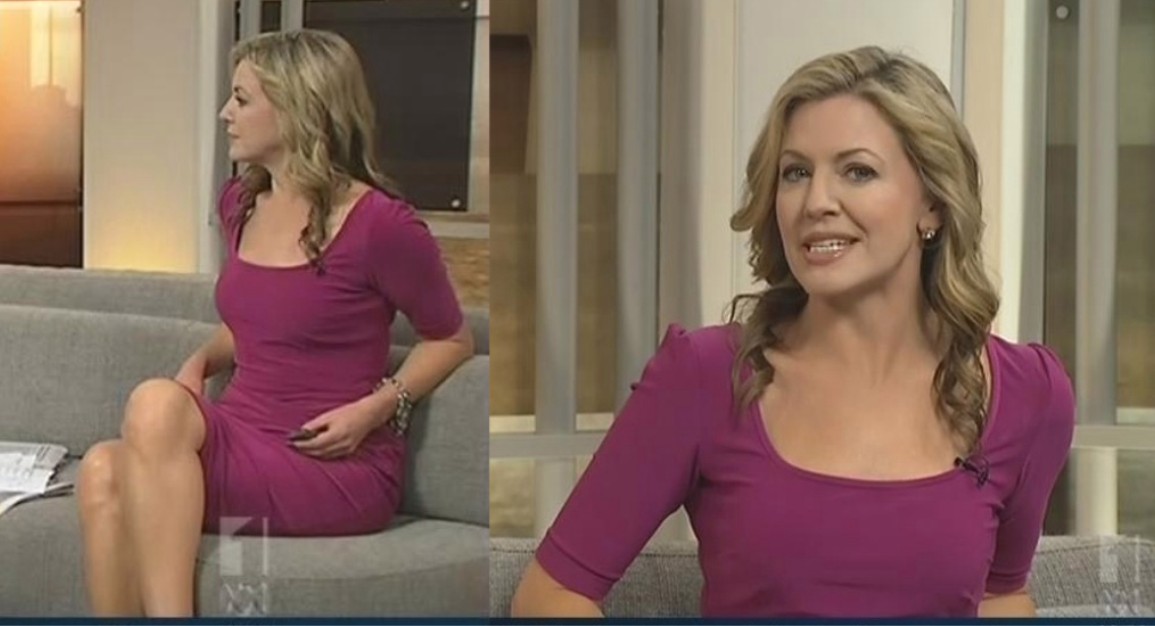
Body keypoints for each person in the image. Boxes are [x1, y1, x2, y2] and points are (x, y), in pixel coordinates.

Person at [510, 46, 1074, 618]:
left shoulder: (1029, 395)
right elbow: (549, 596)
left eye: (857, 171)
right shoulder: (704, 377)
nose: (815, 202)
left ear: (932, 203)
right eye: (796, 173)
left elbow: (1001, 595)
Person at [75, 29, 474, 617]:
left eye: (241, 99)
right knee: (101, 470)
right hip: (245, 434)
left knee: (153, 406)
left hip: (329, 459)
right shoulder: (240, 204)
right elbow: (259, 323)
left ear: (297, 109)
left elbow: (452, 338)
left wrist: (375, 408)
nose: (224, 113)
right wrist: (200, 362)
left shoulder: (382, 225)